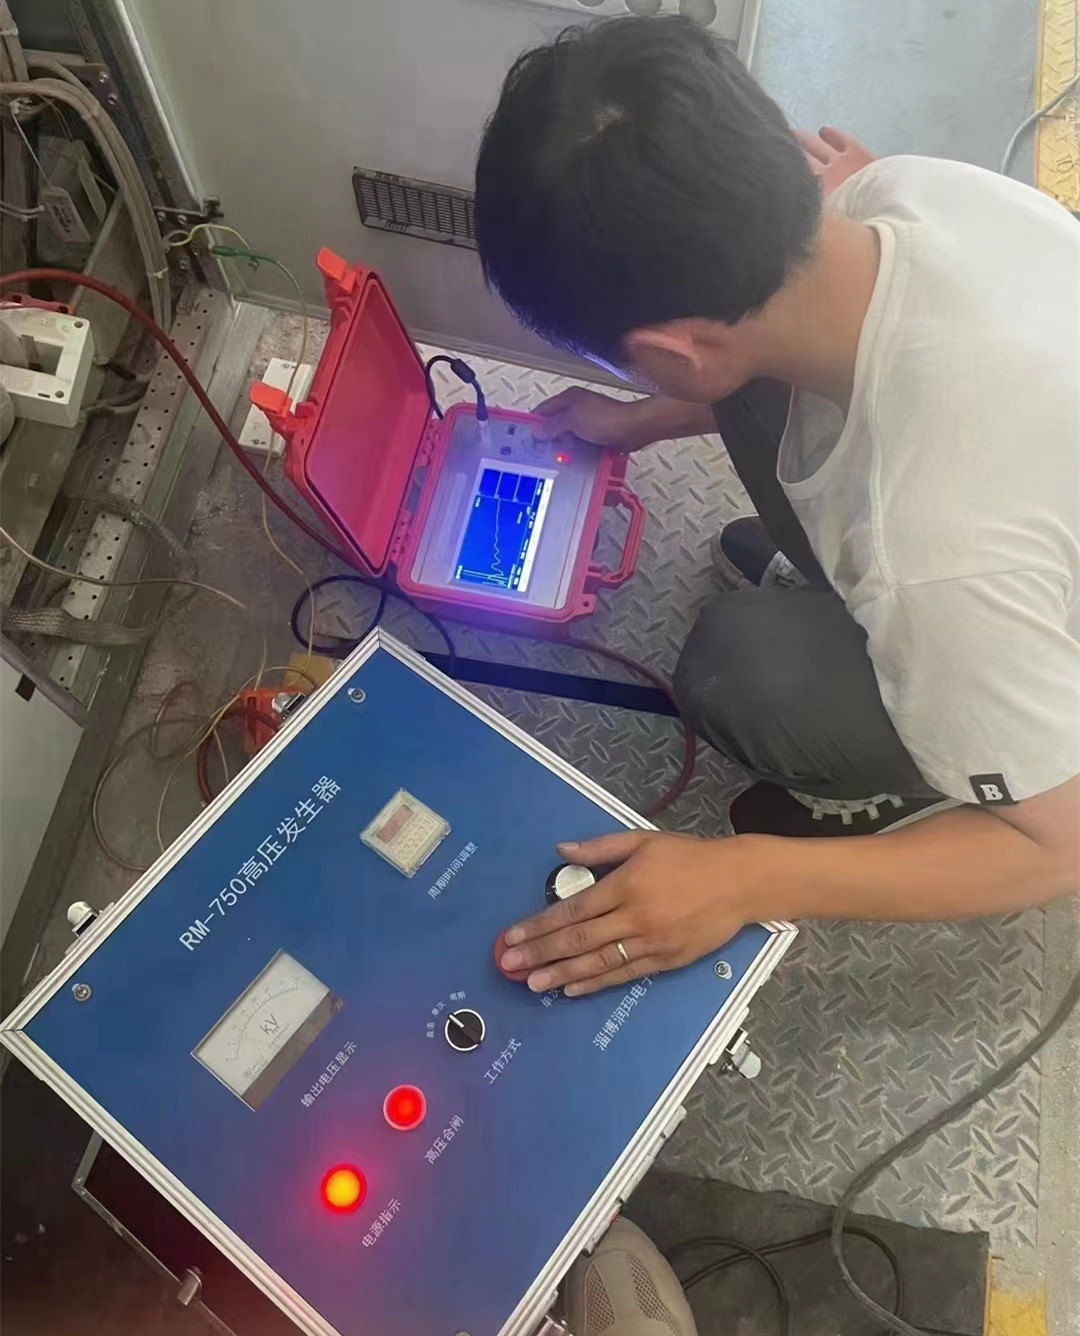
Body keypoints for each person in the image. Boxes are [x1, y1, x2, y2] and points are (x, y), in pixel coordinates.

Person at [474, 17, 1078, 1334]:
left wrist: (746, 878)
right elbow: (741, 352)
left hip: (1042, 695)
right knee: (785, 508)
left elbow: (1055, 848)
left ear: (676, 342)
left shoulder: (937, 553)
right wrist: (643, 414)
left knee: (742, 672)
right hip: (1019, 531)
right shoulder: (893, 195)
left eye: (633, 360)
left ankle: (911, 776)